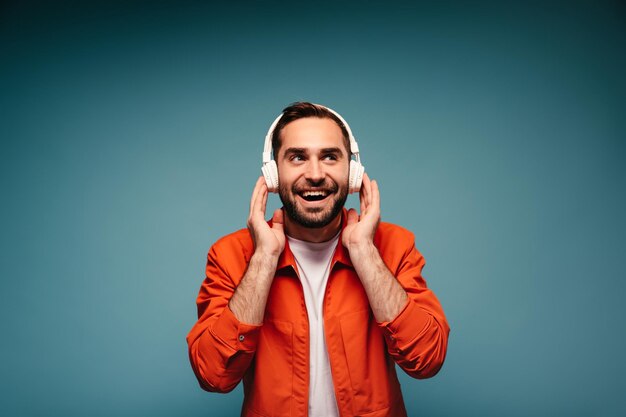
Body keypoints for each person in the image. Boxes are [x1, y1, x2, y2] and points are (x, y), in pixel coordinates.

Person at [187, 102, 450, 417]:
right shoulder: (231, 255)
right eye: (297, 157)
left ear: (352, 173)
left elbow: (427, 360)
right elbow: (214, 376)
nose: (314, 174)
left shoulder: (393, 246)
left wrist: (365, 252)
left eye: (329, 156)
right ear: (273, 174)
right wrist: (264, 258)